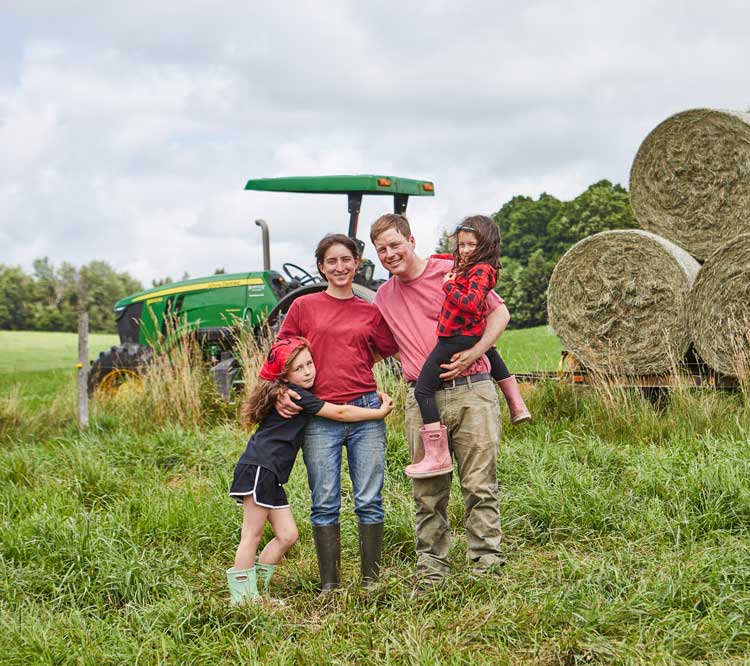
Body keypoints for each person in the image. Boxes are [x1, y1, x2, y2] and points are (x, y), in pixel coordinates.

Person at [370, 212, 509, 587]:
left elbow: (501, 314)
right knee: (428, 491)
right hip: (423, 399)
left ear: (412, 240)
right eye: (381, 250)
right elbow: (372, 346)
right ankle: (432, 570)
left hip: (473, 389)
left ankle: (487, 565)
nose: (390, 254)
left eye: (395, 245)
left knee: (480, 484)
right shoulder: (384, 296)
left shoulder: (452, 269)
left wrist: (475, 350)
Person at [227, 336, 394, 605]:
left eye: (309, 364)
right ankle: (242, 599)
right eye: (299, 368)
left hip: (273, 475)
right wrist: (377, 413)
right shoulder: (298, 395)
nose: (308, 371)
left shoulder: (290, 392)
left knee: (288, 536)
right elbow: (339, 413)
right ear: (285, 376)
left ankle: (255, 590)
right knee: (252, 534)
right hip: (260, 468)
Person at [276, 234, 399, 592]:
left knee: (369, 499)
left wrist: (358, 362)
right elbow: (282, 353)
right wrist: (284, 390)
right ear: (321, 267)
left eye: (346, 260)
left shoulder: (370, 311)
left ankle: (370, 581)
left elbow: (384, 349)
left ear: (357, 264)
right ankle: (330, 584)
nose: (340, 267)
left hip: (365, 410)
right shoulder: (304, 307)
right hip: (320, 415)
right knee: (325, 500)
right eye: (332, 261)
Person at [408, 215, 531, 479]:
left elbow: (471, 303)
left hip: (456, 335)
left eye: (470, 245)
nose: (463, 250)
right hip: (468, 333)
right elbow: (448, 260)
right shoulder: (471, 265)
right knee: (491, 350)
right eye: (460, 245)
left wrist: (449, 285)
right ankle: (516, 403)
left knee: (423, 390)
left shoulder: (480, 271)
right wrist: (434, 259)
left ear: (485, 246)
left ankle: (437, 455)